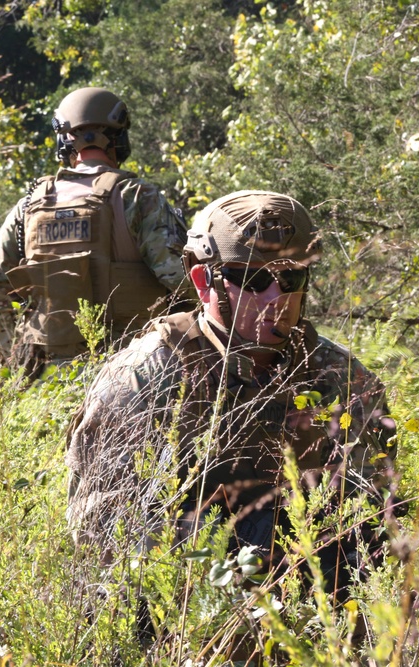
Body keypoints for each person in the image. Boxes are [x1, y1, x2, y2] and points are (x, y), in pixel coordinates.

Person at [66, 190, 397, 612]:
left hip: (313, 604)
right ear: (204, 280)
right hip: (183, 606)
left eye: (291, 277)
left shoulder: (339, 376)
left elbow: (378, 511)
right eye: (253, 279)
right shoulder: (144, 379)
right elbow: (102, 530)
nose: (276, 295)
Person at [0, 87, 190, 374]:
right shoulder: (137, 196)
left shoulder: (30, 205)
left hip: (49, 377)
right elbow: (178, 276)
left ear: (64, 141)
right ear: (119, 138)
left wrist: (18, 356)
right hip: (130, 370)